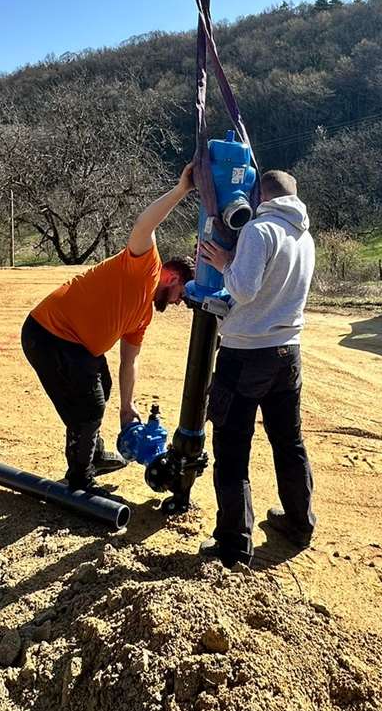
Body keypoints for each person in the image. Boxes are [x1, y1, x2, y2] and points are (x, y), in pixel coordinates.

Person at [22, 165, 196, 490]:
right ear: (172, 277)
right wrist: (181, 190)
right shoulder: (145, 266)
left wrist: (127, 409)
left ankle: (94, 453)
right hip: (48, 334)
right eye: (181, 295)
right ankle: (79, 481)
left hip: (78, 347)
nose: (177, 303)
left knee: (101, 383)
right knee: (88, 408)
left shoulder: (143, 315)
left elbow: (129, 361)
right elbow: (145, 224)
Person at [195, 169, 316, 564]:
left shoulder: (259, 231)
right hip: (288, 354)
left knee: (231, 452)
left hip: (245, 354)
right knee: (289, 442)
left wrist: (228, 261)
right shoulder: (304, 236)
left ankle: (233, 545)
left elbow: (244, 289)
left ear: (258, 194)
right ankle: (299, 523)